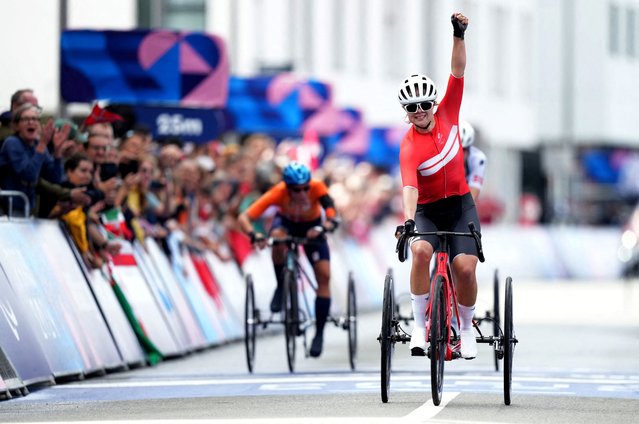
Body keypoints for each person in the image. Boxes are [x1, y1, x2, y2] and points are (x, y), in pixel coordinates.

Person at [395, 12, 481, 359]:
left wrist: (458, 35)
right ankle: (419, 324)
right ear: (406, 111)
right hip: (428, 210)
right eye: (411, 107)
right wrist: (408, 221)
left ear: (433, 104)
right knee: (419, 252)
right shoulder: (408, 145)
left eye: (424, 105)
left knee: (464, 267)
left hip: (460, 204)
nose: (420, 111)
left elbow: (457, 71)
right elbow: (409, 187)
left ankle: (464, 327)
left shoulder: (449, 112)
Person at [237, 161, 340, 358]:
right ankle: (280, 285)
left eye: (305, 188)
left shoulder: (318, 187)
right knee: (276, 237)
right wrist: (254, 235)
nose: (302, 193)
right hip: (286, 224)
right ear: (287, 187)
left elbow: (331, 211)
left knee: (324, 277)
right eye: (296, 190)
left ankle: (318, 334)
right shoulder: (278, 192)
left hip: (312, 227)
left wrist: (325, 227)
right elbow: (244, 217)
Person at [459, 120, 486, 202]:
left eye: (464, 150)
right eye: (458, 150)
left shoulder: (478, 159)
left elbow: (472, 195)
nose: (461, 154)